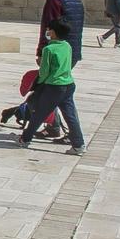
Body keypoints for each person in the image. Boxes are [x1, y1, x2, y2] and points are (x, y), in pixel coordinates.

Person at [20, 20, 87, 155]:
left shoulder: (48, 49)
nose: (48, 32)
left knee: (39, 113)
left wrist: (39, 83)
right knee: (70, 116)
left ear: (54, 32)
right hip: (68, 84)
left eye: (49, 30)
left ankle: (25, 138)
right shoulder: (67, 46)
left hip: (53, 87)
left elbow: (44, 72)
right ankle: (79, 145)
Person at [39, 0, 86, 65]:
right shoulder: (76, 0)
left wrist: (41, 52)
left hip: (57, 52)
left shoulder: (55, 0)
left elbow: (48, 27)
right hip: (72, 51)